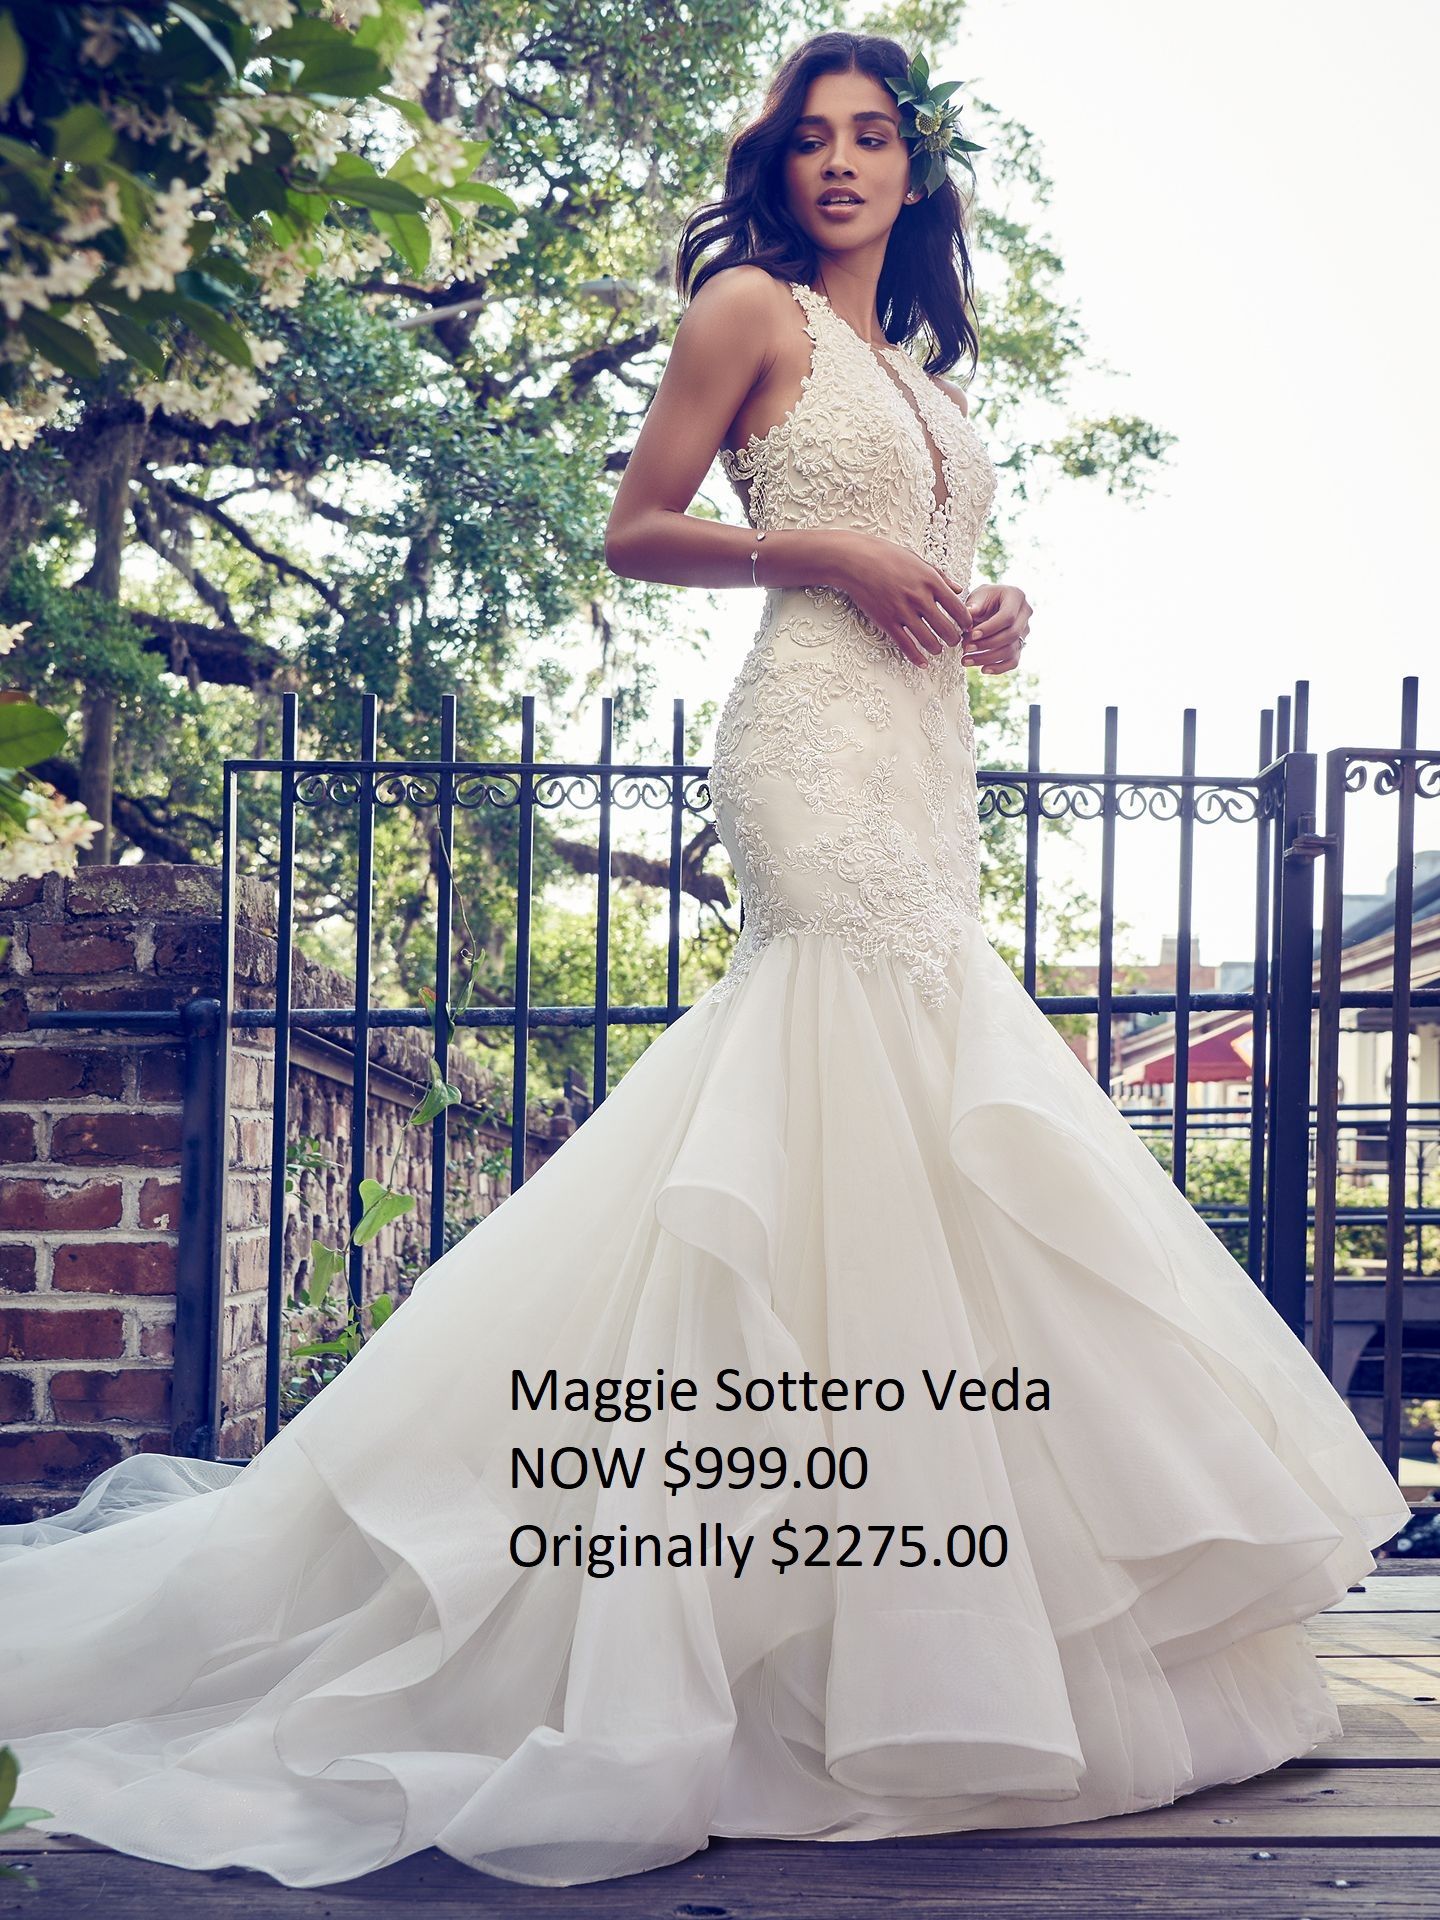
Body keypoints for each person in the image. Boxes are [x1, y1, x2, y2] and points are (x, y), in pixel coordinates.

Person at [0, 27, 1412, 1896]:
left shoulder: (914, 366)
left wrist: (992, 608)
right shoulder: (750, 312)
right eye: (812, 137)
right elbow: (640, 529)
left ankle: (920, 1629)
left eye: (873, 138)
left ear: (914, 174)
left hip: (919, 762)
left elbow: (933, 575)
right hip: (810, 755)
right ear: (780, 165)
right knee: (831, 1105)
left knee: (930, 1143)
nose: (841, 163)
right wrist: (829, 553)